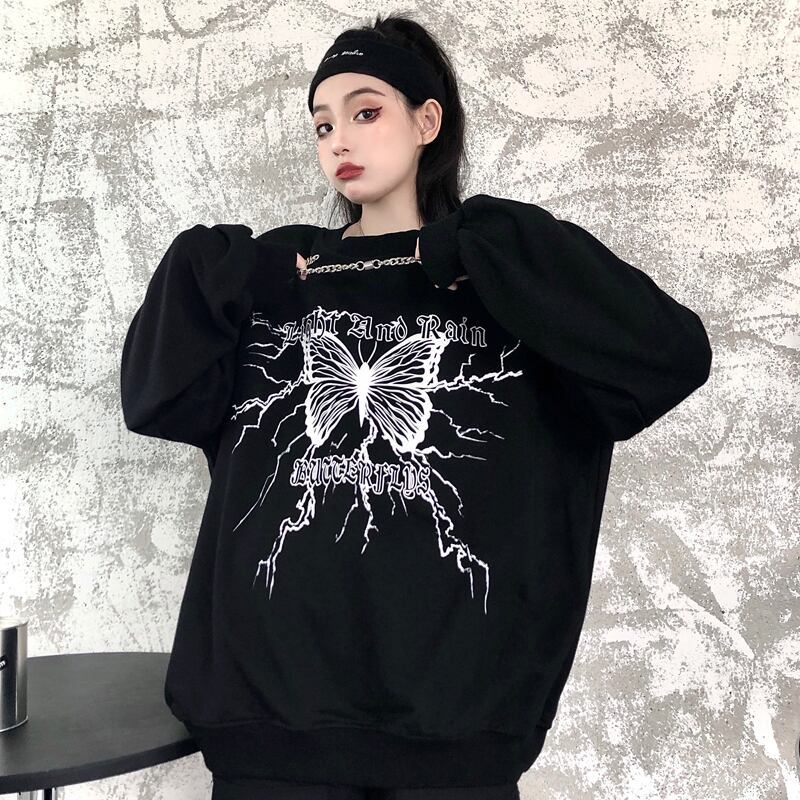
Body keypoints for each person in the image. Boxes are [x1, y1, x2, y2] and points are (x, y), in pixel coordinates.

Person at [119, 11, 713, 800]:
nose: (340, 139)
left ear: (427, 121)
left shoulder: (503, 273)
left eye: (366, 112)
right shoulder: (277, 277)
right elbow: (154, 398)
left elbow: (671, 357)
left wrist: (499, 251)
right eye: (323, 124)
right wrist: (220, 275)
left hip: (455, 737)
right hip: (270, 733)